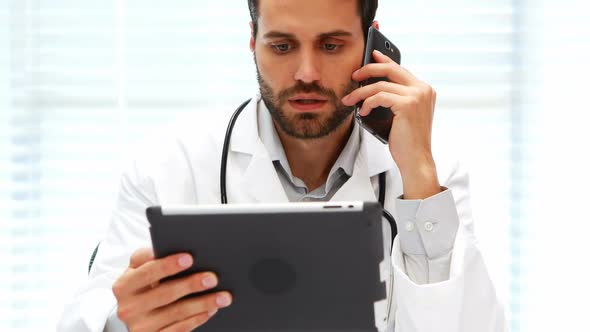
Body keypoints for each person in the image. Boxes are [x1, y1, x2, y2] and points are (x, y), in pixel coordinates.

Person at [58, 0, 507, 331]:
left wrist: (420, 181)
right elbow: (86, 318)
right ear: (252, 40)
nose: (306, 72)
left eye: (331, 45)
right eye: (282, 45)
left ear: (372, 44)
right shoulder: (168, 166)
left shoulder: (429, 174)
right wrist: (121, 322)